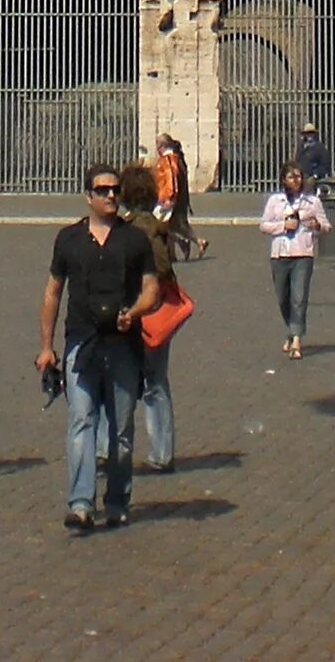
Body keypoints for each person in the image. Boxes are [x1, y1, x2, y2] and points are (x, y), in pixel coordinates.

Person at [36, 164, 159, 533]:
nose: (110, 196)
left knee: (120, 430)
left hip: (123, 345)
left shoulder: (135, 240)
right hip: (81, 342)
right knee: (81, 421)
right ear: (87, 196)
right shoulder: (69, 239)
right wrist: (46, 347)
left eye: (115, 190)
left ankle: (118, 499)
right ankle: (81, 503)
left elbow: (152, 290)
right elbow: (53, 291)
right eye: (103, 190)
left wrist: (133, 312)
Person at [122, 161, 180, 473]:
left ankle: (112, 449)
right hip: (158, 315)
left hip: (138, 313)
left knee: (124, 381)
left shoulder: (133, 229)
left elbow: (158, 269)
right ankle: (162, 451)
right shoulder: (157, 227)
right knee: (156, 382)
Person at [260, 165, 327, 359]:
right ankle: (291, 329)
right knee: (283, 298)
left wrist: (318, 225)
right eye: (291, 176)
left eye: (299, 176)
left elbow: (326, 225)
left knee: (299, 297)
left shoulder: (312, 201)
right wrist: (283, 226)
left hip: (303, 253)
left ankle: (297, 339)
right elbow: (263, 225)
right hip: (280, 254)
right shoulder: (275, 201)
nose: (296, 180)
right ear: (283, 179)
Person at [153, 135, 201, 262]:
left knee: (156, 225)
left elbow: (170, 179)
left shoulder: (168, 159)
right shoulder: (168, 158)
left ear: (162, 145)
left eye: (157, 142)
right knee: (167, 225)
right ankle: (174, 251)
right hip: (163, 197)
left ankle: (181, 242)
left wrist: (169, 197)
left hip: (165, 198)